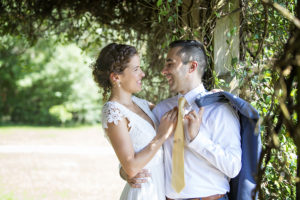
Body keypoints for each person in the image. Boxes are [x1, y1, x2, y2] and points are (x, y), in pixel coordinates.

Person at [126, 40, 242, 200]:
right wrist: (126, 172)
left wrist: (197, 138)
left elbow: (233, 167)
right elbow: (141, 149)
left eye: (170, 64)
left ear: (192, 67)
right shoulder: (161, 110)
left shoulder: (219, 109)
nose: (163, 71)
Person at [92, 43, 178, 200]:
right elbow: (131, 167)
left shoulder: (141, 103)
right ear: (116, 77)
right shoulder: (113, 111)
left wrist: (207, 96)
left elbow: (175, 111)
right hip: (142, 193)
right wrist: (161, 136)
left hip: (158, 189)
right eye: (136, 69)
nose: (142, 74)